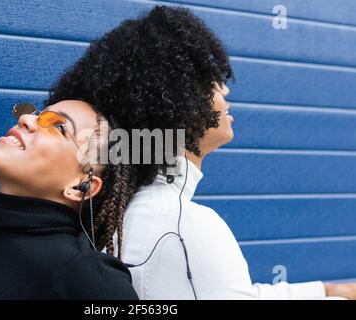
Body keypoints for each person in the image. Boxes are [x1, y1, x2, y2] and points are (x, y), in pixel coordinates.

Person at [46, 5, 356, 299]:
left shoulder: (147, 212)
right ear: (176, 103)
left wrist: (329, 290)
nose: (225, 89)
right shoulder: (182, 225)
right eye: (211, 80)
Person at [0, 99, 139, 300]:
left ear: (80, 188)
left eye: (59, 126)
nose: (25, 119)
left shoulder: (90, 277)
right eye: (37, 114)